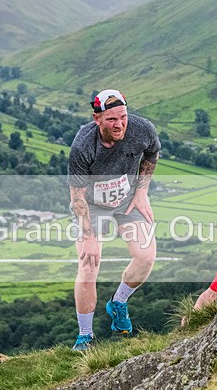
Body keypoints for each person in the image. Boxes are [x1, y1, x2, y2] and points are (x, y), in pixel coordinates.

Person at [68, 89, 161, 350]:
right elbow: (77, 197)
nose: (119, 124)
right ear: (97, 119)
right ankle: (85, 337)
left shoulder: (142, 129)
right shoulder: (83, 146)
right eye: (111, 119)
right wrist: (88, 237)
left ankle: (118, 302)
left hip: (127, 199)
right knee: (88, 264)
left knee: (146, 256)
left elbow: (152, 154)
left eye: (123, 116)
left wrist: (142, 191)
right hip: (92, 205)